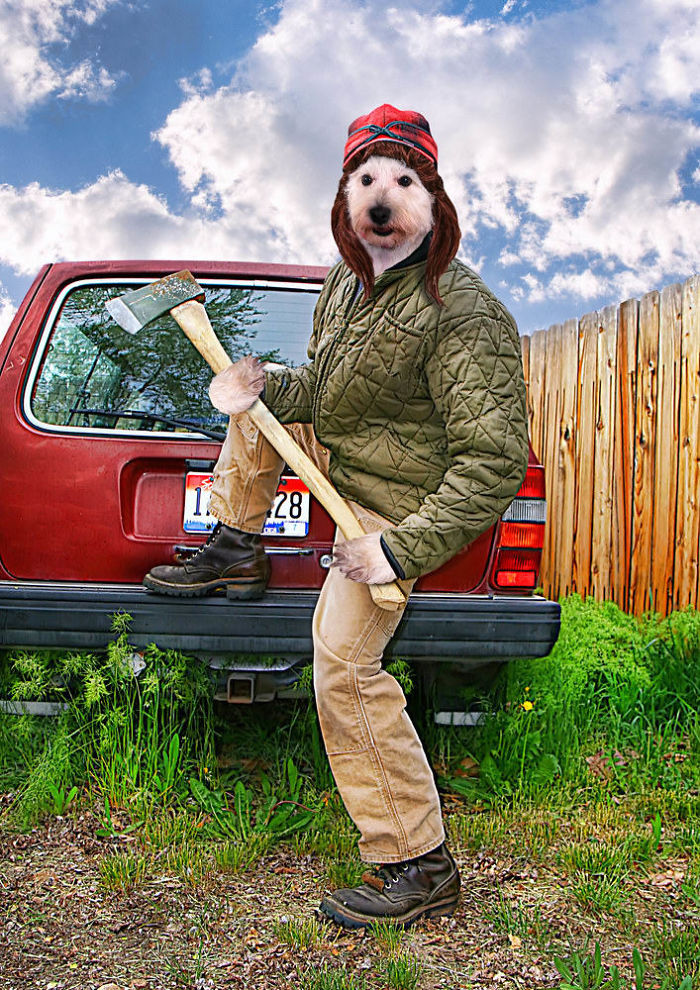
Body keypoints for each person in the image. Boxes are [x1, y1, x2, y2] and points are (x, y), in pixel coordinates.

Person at [144, 104, 529, 928]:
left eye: (405, 181)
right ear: (345, 199)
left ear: (434, 200)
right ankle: (237, 545)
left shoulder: (463, 312)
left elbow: (493, 463)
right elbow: (323, 391)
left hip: (398, 507)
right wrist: (264, 387)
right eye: (366, 181)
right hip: (344, 473)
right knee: (253, 403)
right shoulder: (344, 287)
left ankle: (418, 865)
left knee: (346, 668)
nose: (383, 199)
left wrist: (397, 548)